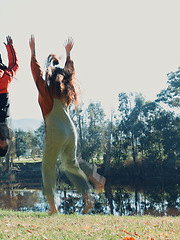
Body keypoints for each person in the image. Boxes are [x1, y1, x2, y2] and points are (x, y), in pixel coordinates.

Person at [29, 35, 105, 214]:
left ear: (50, 78)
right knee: (71, 164)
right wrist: (68, 53)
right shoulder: (65, 94)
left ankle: (53, 208)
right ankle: (95, 183)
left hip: (56, 131)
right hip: (71, 131)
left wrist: (32, 52)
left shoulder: (46, 91)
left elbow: (36, 73)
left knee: (48, 166)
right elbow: (69, 72)